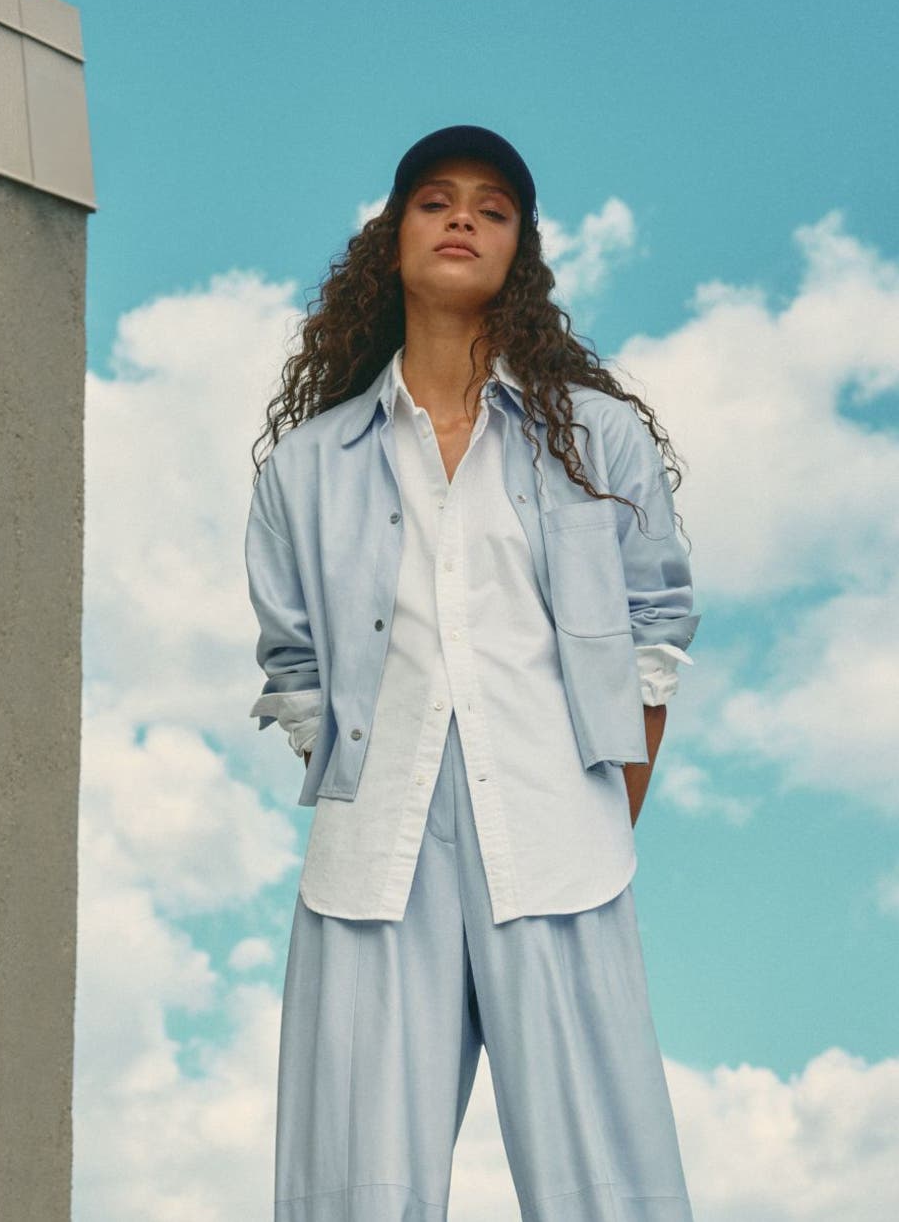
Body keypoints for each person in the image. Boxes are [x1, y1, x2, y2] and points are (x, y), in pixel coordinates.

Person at [244, 124, 700, 1220]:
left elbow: (653, 631)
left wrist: (598, 810)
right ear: (390, 237)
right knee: (352, 1189)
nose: (461, 219)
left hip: (557, 838)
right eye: (435, 200)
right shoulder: (307, 468)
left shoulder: (597, 442)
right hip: (371, 860)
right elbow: (294, 664)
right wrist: (366, 766)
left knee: (608, 1188)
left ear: (521, 254)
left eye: (492, 208)